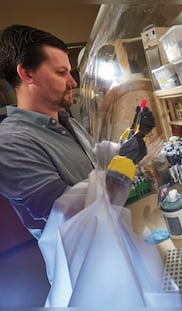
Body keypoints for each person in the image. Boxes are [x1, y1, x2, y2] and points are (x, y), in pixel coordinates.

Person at [0, 24, 155, 239]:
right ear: (26, 73)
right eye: (61, 72)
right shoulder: (10, 143)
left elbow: (96, 160)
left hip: (108, 235)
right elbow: (71, 213)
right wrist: (125, 161)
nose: (73, 82)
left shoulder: (67, 121)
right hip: (79, 260)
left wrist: (133, 137)